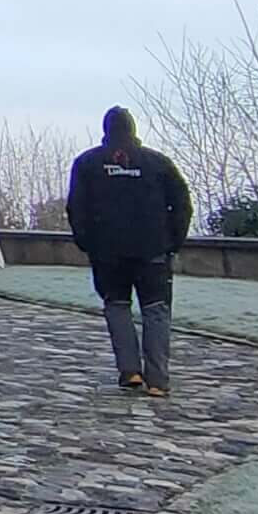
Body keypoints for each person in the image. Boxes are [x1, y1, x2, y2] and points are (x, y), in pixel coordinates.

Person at [65, 105, 193, 397]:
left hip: (107, 253)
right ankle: (158, 381)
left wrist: (87, 242)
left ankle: (130, 371)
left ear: (105, 130)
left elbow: (76, 208)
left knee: (117, 308)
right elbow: (183, 204)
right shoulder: (157, 163)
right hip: (153, 250)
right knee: (156, 311)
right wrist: (173, 241)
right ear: (134, 130)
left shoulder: (87, 163)